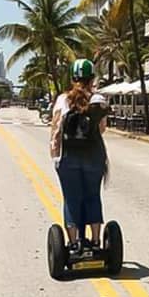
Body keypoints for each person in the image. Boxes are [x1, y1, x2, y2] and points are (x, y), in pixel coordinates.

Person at [50, 59, 110, 255]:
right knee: (93, 196)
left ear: (73, 78)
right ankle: (94, 241)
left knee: (72, 199)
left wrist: (55, 157)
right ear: (92, 78)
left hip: (69, 157)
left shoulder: (63, 100)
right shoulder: (98, 100)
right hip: (94, 157)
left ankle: (74, 243)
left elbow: (56, 129)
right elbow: (101, 129)